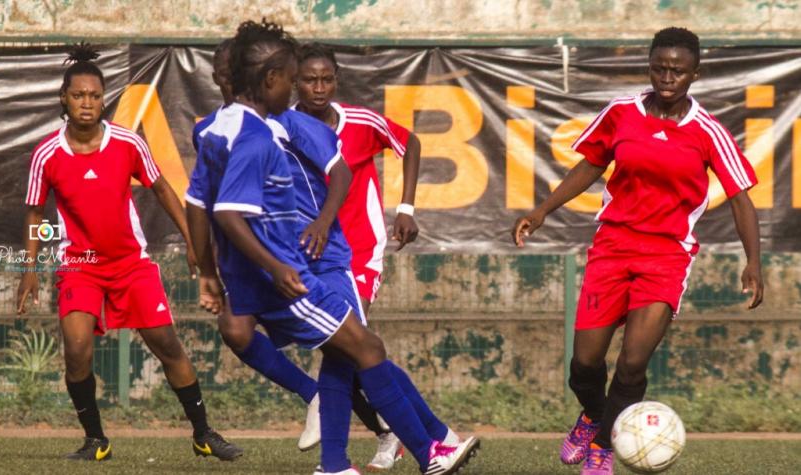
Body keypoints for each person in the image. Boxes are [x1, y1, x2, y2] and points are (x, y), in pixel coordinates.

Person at [186, 19, 479, 475]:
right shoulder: (250, 133)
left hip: (319, 257)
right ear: (268, 79)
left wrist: (213, 268)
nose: (306, 87)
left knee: (353, 350)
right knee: (360, 349)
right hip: (290, 268)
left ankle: (375, 452)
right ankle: (420, 450)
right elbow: (221, 210)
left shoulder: (282, 126)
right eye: (296, 78)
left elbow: (203, 201)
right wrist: (248, 267)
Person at [512, 27, 763, 475]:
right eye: (659, 68)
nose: (667, 78)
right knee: (583, 364)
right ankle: (594, 416)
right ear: (649, 66)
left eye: (678, 71)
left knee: (632, 363)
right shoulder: (621, 112)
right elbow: (592, 163)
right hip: (612, 248)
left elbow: (741, 199)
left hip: (666, 257)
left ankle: (603, 446)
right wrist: (543, 210)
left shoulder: (707, 130)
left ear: (695, 74)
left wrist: (754, 263)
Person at [16, 44, 241, 462]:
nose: (87, 103)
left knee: (167, 345)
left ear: (104, 99)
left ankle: (203, 434)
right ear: (64, 98)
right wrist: (28, 268)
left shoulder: (127, 142)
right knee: (77, 348)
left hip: (130, 265)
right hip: (79, 266)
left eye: (95, 95)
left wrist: (193, 242)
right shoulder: (47, 154)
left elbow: (162, 189)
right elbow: (34, 212)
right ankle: (95, 440)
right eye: (78, 95)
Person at [294, 41, 423, 471]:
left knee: (346, 341)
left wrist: (406, 207)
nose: (319, 88)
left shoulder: (362, 122)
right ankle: (393, 430)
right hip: (310, 254)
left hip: (360, 252)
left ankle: (336, 451)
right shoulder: (282, 128)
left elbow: (411, 143)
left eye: (326, 79)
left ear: (337, 79)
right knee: (346, 347)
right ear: (294, 82)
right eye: (309, 80)